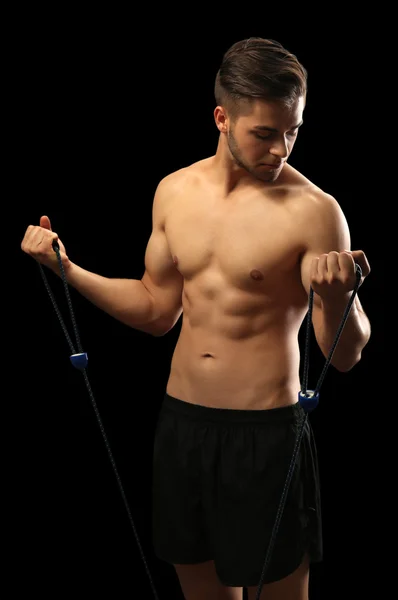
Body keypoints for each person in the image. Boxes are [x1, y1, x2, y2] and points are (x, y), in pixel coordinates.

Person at [21, 37, 371, 600]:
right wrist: (67, 270)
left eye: (293, 131)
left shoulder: (316, 212)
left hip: (265, 436)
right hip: (182, 425)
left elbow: (346, 354)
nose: (281, 148)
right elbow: (158, 310)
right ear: (221, 118)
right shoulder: (174, 192)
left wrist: (337, 298)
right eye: (264, 132)